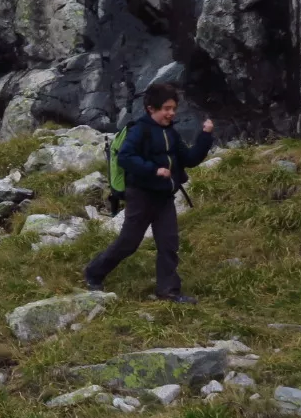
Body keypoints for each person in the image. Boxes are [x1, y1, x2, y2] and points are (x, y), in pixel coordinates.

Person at [83, 81, 215, 303]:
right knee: (129, 242)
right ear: (151, 109)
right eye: (166, 109)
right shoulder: (139, 130)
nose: (171, 113)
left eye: (173, 109)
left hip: (164, 198)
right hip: (141, 196)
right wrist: (154, 170)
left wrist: (205, 136)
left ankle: (168, 291)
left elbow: (190, 160)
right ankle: (93, 273)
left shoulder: (171, 133)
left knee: (169, 244)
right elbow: (125, 157)